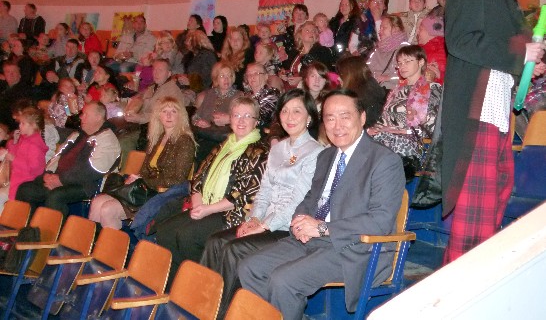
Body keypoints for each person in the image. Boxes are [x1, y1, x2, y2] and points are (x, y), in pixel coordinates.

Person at [239, 89, 405, 320]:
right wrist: (299, 221)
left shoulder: (384, 160)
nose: (337, 125)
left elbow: (380, 221)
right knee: (250, 268)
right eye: (329, 118)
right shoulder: (326, 157)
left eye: (345, 116)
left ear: (362, 117)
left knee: (284, 280)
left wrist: (322, 228)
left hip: (355, 247)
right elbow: (310, 199)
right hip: (314, 240)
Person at [441, 0, 545, 264]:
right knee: (476, 212)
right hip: (478, 111)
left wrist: (529, 63)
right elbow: (460, 41)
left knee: (493, 203)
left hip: (497, 109)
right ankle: (458, 294)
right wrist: (520, 51)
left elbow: (498, 52)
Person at [200, 89, 323, 318]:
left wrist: (263, 225)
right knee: (216, 241)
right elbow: (264, 191)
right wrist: (253, 219)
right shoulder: (277, 149)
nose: (290, 116)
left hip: (285, 227)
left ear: (309, 117)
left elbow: (299, 200)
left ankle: (226, 314)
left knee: (233, 249)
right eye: (285, 111)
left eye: (297, 111)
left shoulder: (316, 152)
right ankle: (204, 306)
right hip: (264, 221)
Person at [154, 96, 269, 284]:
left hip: (233, 214)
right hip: (207, 206)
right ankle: (173, 285)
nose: (241, 120)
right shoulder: (224, 144)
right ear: (230, 119)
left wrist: (207, 210)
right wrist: (198, 203)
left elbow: (242, 194)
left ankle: (197, 286)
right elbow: (199, 176)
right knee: (165, 229)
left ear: (256, 122)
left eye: (247, 116)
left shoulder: (259, 152)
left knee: (187, 236)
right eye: (237, 115)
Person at [89, 96, 195, 229]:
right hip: (146, 189)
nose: (168, 115)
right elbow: (145, 169)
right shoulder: (157, 138)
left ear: (180, 116)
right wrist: (136, 177)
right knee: (97, 202)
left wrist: (143, 180)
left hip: (163, 193)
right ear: (158, 115)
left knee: (107, 209)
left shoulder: (184, 142)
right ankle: (96, 245)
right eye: (164, 111)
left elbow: (177, 179)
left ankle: (113, 247)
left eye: (173, 111)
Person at [16, 101, 121, 216]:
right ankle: (29, 229)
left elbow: (92, 171)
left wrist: (62, 180)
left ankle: (55, 232)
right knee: (25, 189)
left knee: (55, 196)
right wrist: (49, 173)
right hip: (62, 177)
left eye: (85, 114)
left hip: (86, 184)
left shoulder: (107, 140)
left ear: (98, 117)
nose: (81, 117)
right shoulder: (77, 135)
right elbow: (58, 156)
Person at [369, 45, 442, 164]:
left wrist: (398, 131)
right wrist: (374, 129)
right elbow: (384, 119)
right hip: (387, 139)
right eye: (400, 63)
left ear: (421, 62)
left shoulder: (432, 89)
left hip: (412, 143)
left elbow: (431, 128)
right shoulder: (396, 90)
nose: (402, 66)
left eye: (407, 61)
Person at [192, 61, 243, 164]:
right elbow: (196, 116)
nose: (226, 79)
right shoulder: (210, 94)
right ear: (216, 79)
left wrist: (227, 119)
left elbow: (242, 120)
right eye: (222, 76)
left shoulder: (239, 96)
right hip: (203, 136)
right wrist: (198, 122)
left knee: (202, 153)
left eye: (229, 76)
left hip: (222, 139)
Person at [0, 107, 48, 210]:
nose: (19, 126)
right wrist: (14, 143)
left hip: (24, 181)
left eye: (23, 123)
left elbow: (35, 169)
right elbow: (16, 154)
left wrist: (13, 159)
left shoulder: (35, 145)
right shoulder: (24, 139)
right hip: (15, 179)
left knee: (2, 198)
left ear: (33, 125)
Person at [282, 22, 334, 90]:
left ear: (317, 35)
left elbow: (324, 73)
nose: (311, 33)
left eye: (314, 31)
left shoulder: (322, 51)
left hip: (310, 86)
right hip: (291, 85)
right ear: (300, 35)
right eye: (307, 30)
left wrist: (302, 79)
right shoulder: (295, 51)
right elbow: (286, 67)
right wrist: (282, 73)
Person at [367, 14, 408, 90]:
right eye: (380, 28)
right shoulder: (378, 49)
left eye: (384, 28)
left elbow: (408, 74)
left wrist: (388, 78)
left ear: (396, 29)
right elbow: (367, 68)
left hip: (392, 90)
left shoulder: (404, 49)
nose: (380, 31)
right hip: (375, 88)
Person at [243, 63, 280, 129]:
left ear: (266, 76)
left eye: (256, 73)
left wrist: (232, 118)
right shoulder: (246, 95)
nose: (252, 77)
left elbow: (263, 120)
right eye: (249, 74)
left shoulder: (272, 94)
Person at [0, 61, 32, 130]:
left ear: (20, 75)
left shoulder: (24, 90)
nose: (11, 74)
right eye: (8, 72)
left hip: (12, 127)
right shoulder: (3, 87)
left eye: (14, 71)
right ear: (4, 75)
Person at [417, 15, 447, 84]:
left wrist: (440, 77)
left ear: (431, 32)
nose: (418, 33)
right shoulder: (420, 49)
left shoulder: (440, 52)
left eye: (420, 29)